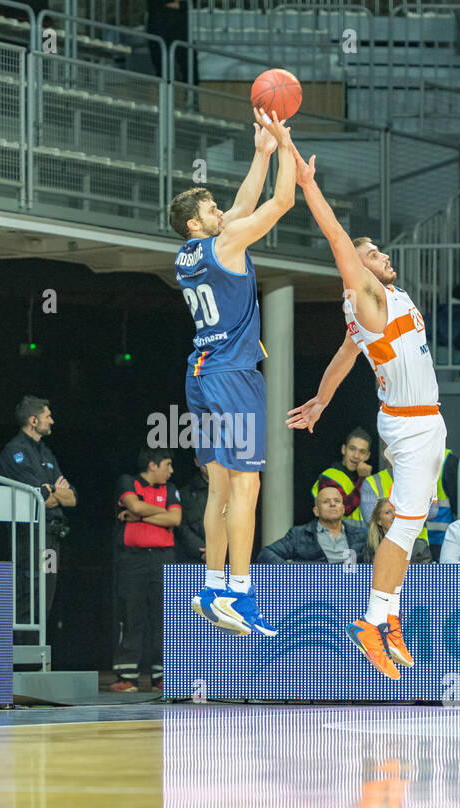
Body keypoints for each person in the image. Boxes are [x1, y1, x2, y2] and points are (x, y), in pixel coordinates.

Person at [286, 145, 447, 681]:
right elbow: (337, 240)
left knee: (411, 525)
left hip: (411, 419)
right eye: (372, 253)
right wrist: (309, 184)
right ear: (360, 268)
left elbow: (345, 354)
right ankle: (375, 621)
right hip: (413, 420)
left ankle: (389, 616)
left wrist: (323, 399)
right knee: (404, 530)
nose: (382, 255)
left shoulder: (380, 303)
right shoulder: (367, 296)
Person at [170, 107, 295, 639]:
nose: (223, 209)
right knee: (248, 486)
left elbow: (243, 205)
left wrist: (260, 153)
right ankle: (241, 594)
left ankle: (212, 586)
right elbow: (281, 202)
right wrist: (286, 146)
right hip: (234, 374)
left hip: (201, 372)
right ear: (198, 221)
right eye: (212, 206)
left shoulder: (188, 254)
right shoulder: (226, 243)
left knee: (220, 488)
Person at [0, 396, 77, 623]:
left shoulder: (45, 452)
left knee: (45, 598)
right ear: (33, 420)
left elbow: (72, 497)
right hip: (29, 536)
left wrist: (51, 491)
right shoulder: (14, 451)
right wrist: (50, 492)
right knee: (27, 595)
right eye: (47, 416)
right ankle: (20, 656)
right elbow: (42, 497)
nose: (52, 421)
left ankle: (37, 657)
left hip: (51, 537)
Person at [112, 449, 181, 693]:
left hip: (163, 559)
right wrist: (151, 511)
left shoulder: (170, 489)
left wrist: (139, 515)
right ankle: (126, 676)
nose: (171, 471)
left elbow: (175, 519)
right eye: (168, 465)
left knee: (162, 617)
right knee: (132, 614)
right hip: (133, 559)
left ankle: (160, 676)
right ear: (153, 465)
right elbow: (133, 504)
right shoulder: (128, 481)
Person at [255, 485, 368, 564]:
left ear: (343, 509)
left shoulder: (361, 535)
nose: (333, 504)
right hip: (312, 593)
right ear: (316, 511)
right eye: (326, 502)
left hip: (349, 592)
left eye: (337, 501)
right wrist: (291, 572)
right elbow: (266, 554)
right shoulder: (298, 535)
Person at [311, 427, 372, 522]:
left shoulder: (366, 479)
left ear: (367, 456)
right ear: (344, 449)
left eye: (362, 452)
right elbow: (344, 508)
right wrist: (362, 479)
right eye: (352, 449)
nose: (356, 456)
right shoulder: (329, 476)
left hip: (360, 534)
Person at [365, 498, 433, 565]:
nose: (394, 515)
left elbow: (426, 575)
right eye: (388, 512)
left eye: (397, 511)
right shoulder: (371, 547)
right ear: (379, 521)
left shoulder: (420, 547)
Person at [172, 454, 208, 563]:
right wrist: (203, 551)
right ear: (197, 462)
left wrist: (219, 550)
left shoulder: (234, 492)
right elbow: (182, 528)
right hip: (194, 558)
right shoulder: (184, 494)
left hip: (229, 558)